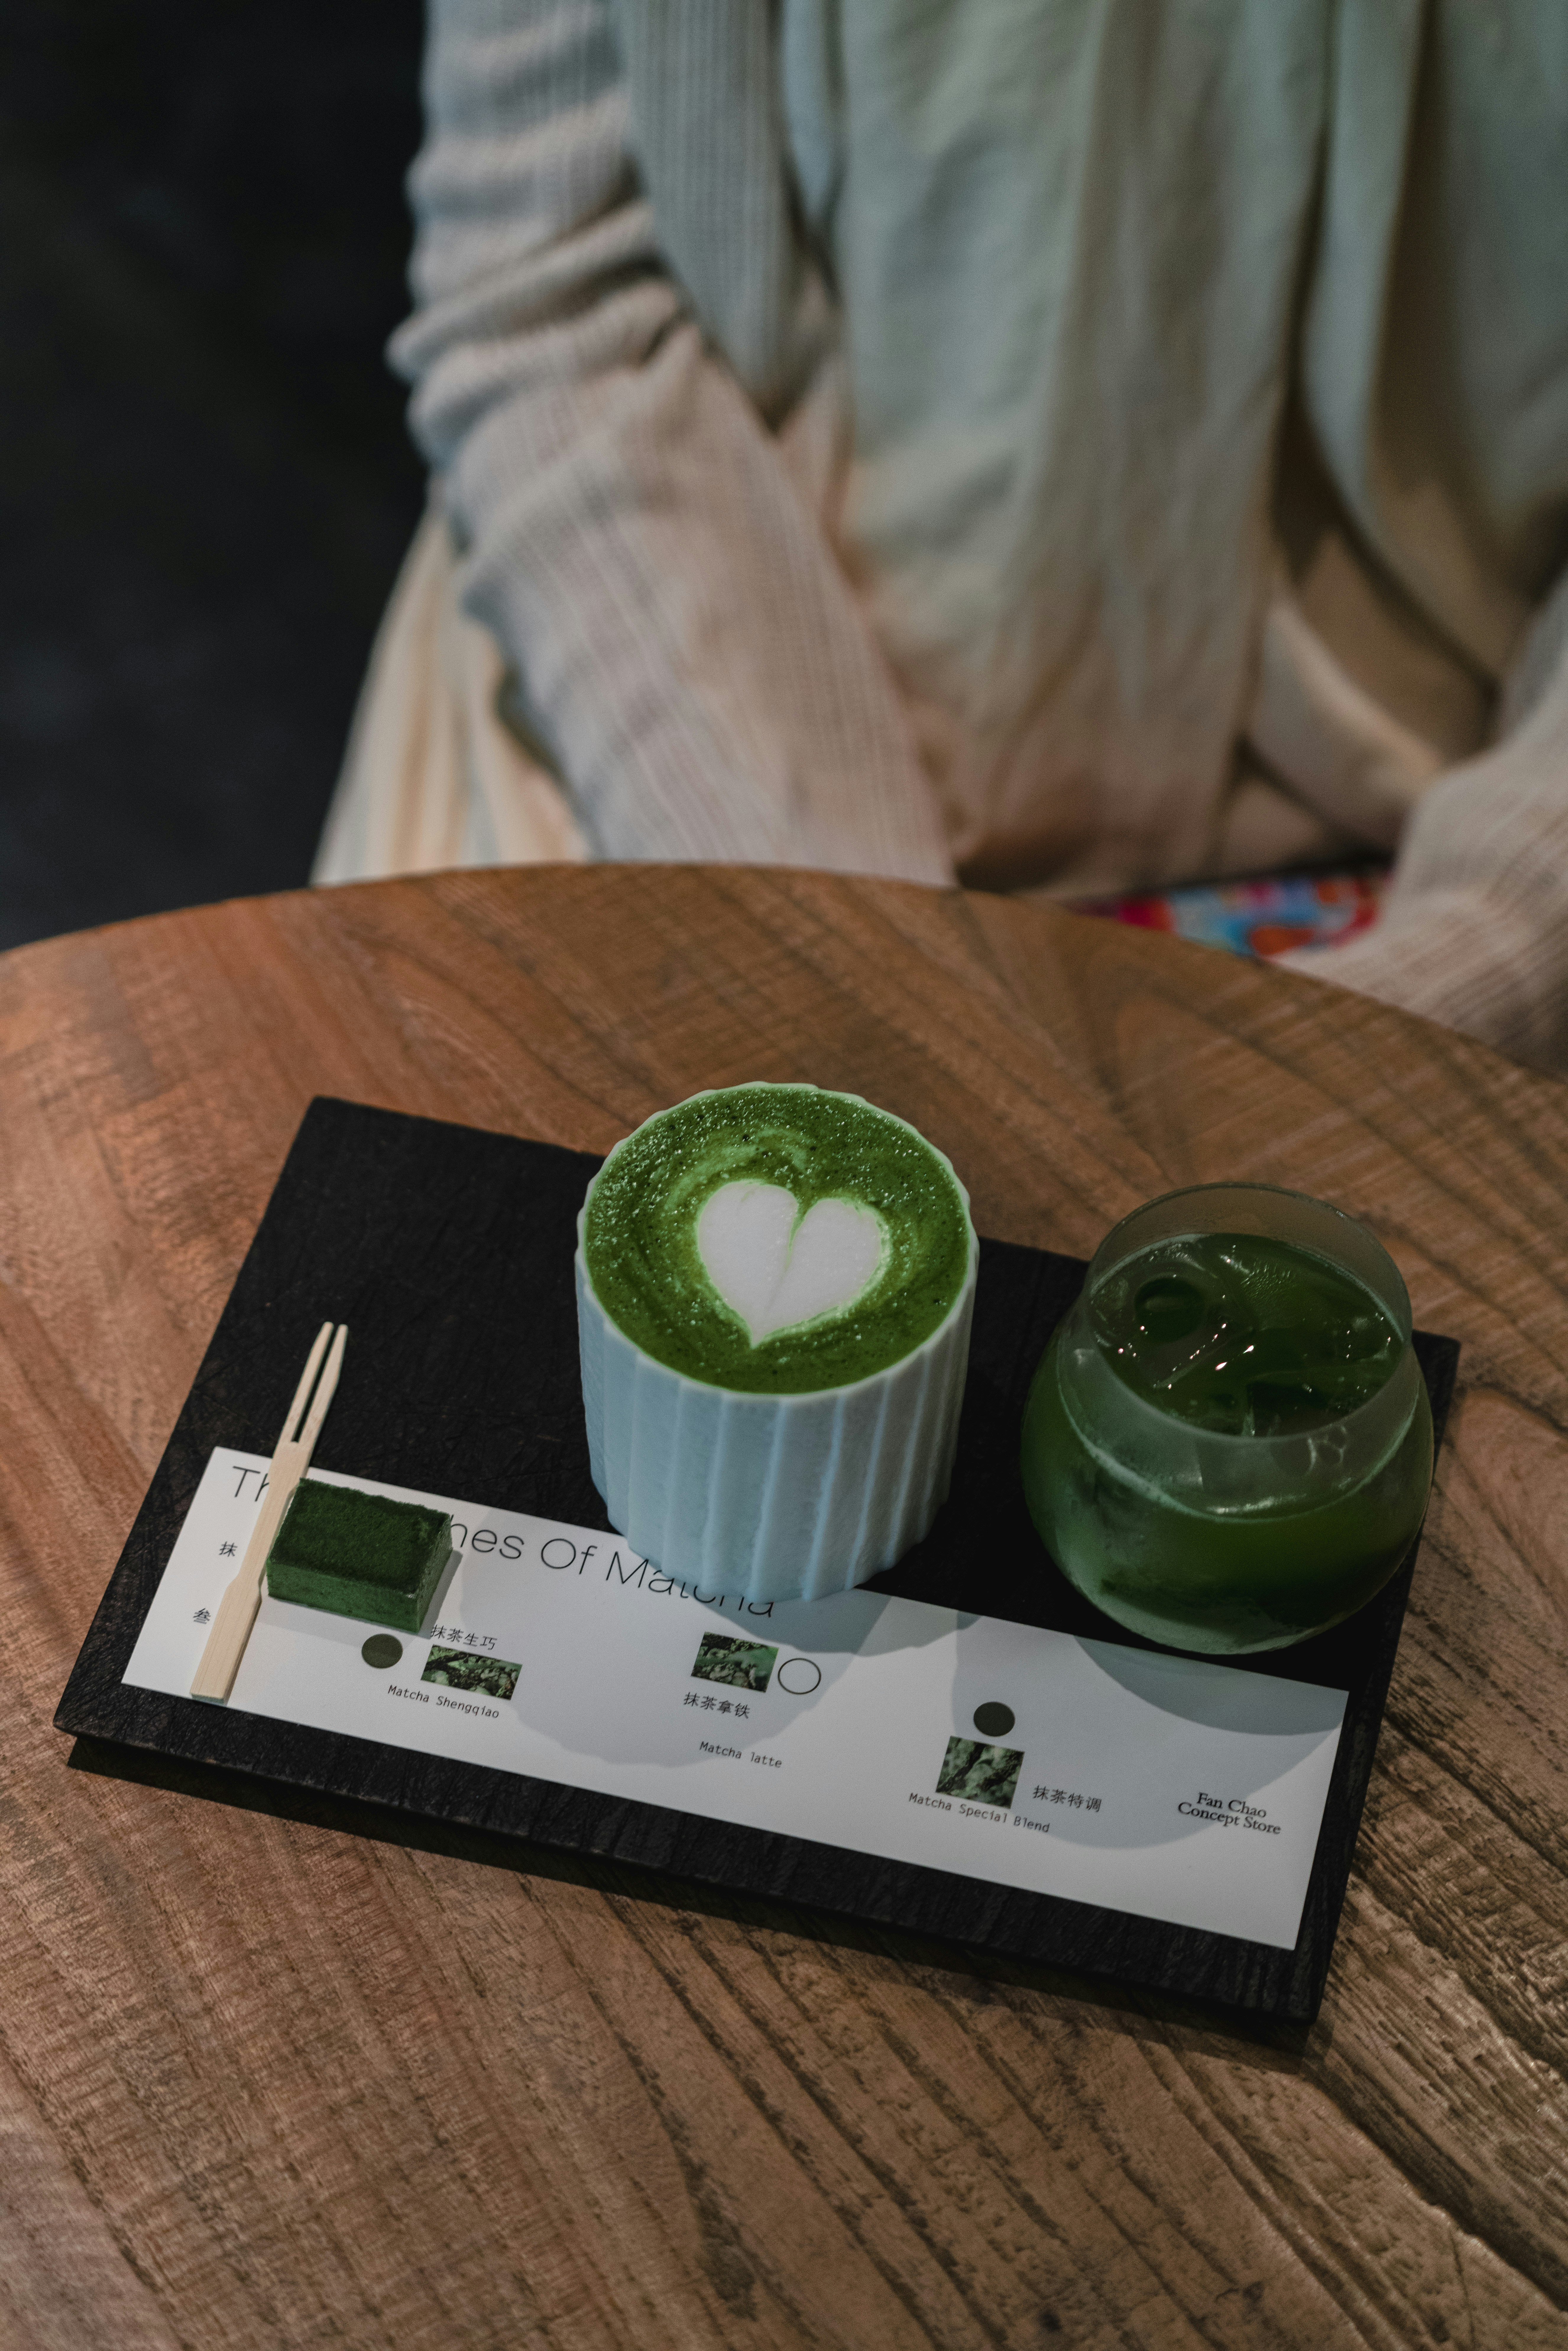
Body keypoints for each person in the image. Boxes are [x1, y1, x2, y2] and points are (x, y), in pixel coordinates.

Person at [315, 1, 1568, 1072]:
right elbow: (552, 308)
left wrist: (1487, 954)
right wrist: (856, 961)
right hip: (694, 723)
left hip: (1464, 799)